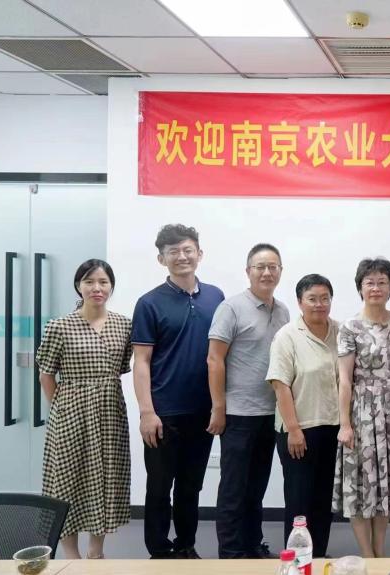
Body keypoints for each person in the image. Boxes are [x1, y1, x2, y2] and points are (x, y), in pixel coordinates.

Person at [132, 224, 224, 559]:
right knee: (159, 486)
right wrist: (147, 412)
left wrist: (219, 405)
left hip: (202, 410)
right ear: (162, 259)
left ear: (199, 253)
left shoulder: (216, 297)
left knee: (191, 486)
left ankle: (186, 545)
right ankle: (158, 551)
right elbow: (141, 361)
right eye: (173, 251)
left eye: (188, 250)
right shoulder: (149, 303)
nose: (182, 256)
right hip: (163, 412)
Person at [36, 259, 132, 560]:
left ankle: (96, 551)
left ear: (111, 286)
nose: (96, 288)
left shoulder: (124, 325)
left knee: (105, 477)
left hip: (109, 411)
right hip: (70, 412)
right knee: (66, 481)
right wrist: (61, 410)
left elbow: (122, 367)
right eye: (89, 281)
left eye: (103, 282)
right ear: (79, 286)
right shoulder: (59, 326)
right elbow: (46, 375)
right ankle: (71, 556)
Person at [334, 258, 390, 558]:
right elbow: (345, 379)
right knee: (362, 483)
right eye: (369, 282)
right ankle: (367, 555)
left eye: (382, 282)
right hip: (362, 411)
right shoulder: (350, 327)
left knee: (385, 485)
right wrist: (345, 424)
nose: (375, 288)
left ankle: (379, 552)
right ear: (360, 287)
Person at [208, 243, 290, 559]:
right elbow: (215, 359)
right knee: (234, 488)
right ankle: (231, 552)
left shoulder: (282, 311)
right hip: (238, 414)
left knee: (256, 486)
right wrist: (219, 408)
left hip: (270, 413)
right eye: (260, 267)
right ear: (248, 271)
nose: (267, 272)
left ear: (280, 271)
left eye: (273, 266)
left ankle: (253, 544)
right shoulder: (231, 308)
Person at [267, 274, 340, 557]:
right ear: (300, 302)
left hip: (332, 427)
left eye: (325, 298)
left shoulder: (340, 331)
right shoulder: (287, 336)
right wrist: (294, 430)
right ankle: (297, 559)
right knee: (299, 500)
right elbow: (280, 384)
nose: (319, 304)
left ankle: (318, 554)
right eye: (312, 299)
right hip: (299, 429)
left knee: (323, 498)